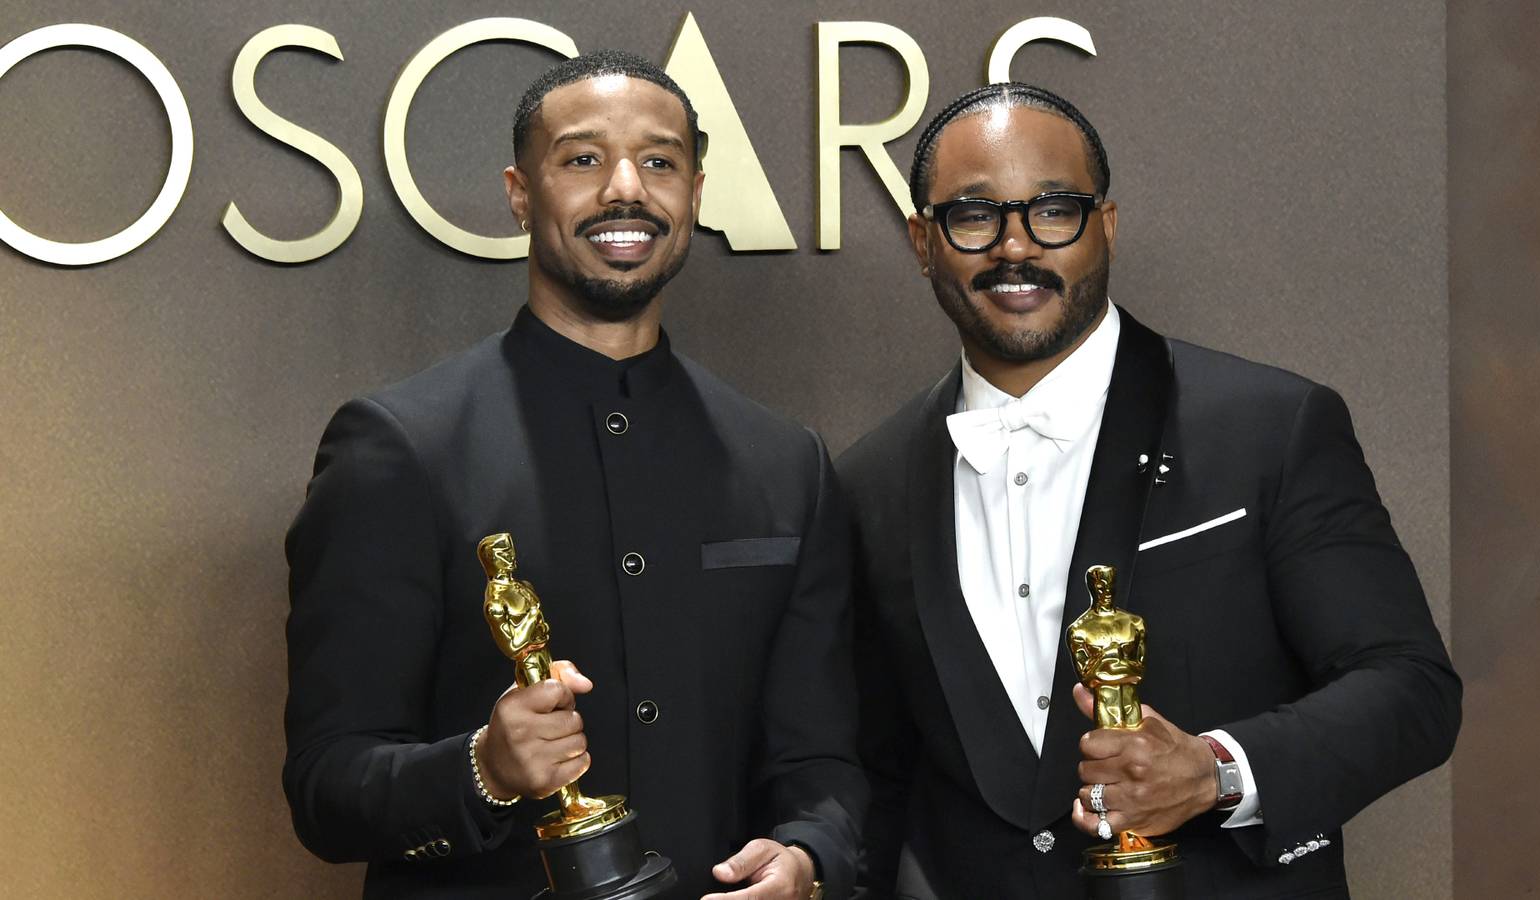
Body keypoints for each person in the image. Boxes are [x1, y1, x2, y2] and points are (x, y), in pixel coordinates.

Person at [836, 83, 1460, 899]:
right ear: (923, 241)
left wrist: (1217, 772)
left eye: (1053, 210)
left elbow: (1412, 690)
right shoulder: (867, 483)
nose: (1015, 247)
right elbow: (875, 769)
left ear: (1107, 226)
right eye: (974, 216)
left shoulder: (1269, 426)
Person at [283, 50, 862, 900]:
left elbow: (821, 762)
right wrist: (483, 767)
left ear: (696, 194)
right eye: (583, 159)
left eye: (659, 162)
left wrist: (808, 857)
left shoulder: (787, 464)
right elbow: (325, 787)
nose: (625, 189)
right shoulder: (399, 448)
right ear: (521, 193)